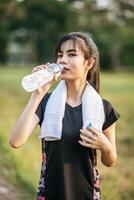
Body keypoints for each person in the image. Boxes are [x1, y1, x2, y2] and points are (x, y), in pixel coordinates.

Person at [9, 32, 120, 200]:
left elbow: (110, 161)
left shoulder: (103, 108)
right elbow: (16, 141)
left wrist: (106, 147)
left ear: (89, 63)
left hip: (87, 192)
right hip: (51, 191)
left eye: (72, 54)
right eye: (60, 55)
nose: (62, 60)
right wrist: (37, 94)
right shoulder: (45, 102)